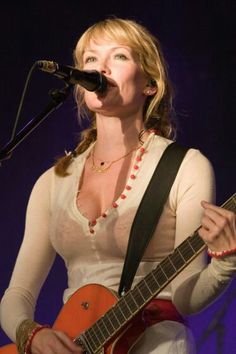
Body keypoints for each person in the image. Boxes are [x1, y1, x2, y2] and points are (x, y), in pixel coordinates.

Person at [0, 17, 236, 354]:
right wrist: (31, 334)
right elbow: (18, 294)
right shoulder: (53, 181)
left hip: (156, 344)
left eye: (119, 57)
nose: (101, 68)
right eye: (91, 60)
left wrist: (226, 261)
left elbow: (185, 297)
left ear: (150, 84)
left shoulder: (185, 166)